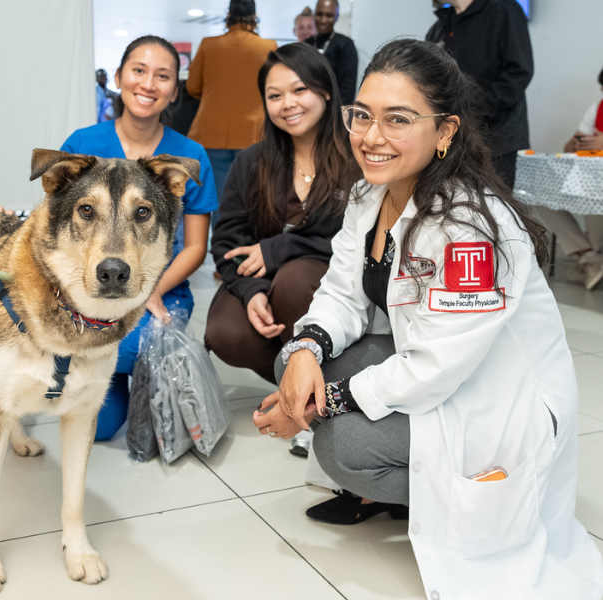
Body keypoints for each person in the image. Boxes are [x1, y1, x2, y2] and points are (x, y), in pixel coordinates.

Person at [253, 38, 603, 598]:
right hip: (437, 367)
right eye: (362, 115)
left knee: (342, 446)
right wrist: (305, 353)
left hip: (496, 398)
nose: (371, 136)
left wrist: (322, 404)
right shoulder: (370, 194)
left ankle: (455, 492)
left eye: (398, 119)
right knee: (293, 364)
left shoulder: (472, 229)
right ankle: (399, 477)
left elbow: (436, 367)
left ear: (444, 132)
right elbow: (341, 292)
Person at [61, 35, 218, 441]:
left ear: (174, 91)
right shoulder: (83, 145)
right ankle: (114, 382)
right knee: (101, 428)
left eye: (163, 76)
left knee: (134, 356)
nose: (149, 84)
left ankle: (142, 377)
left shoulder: (188, 156)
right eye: (139, 71)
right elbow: (59, 230)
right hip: (90, 289)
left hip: (160, 290)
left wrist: (148, 289)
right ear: (118, 77)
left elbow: (197, 247)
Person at [206, 43, 347, 385]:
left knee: (293, 282)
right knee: (225, 332)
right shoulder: (252, 161)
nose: (288, 104)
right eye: (274, 96)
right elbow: (227, 241)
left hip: (327, 281)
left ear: (326, 91)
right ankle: (305, 386)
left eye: (300, 89)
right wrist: (251, 289)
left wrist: (279, 249)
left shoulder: (355, 157)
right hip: (264, 281)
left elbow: (363, 239)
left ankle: (313, 389)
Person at [427, 0, 533, 189]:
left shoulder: (503, 10)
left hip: (496, 141)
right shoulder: (442, 24)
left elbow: (518, 73)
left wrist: (472, 110)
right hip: (454, 140)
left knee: (492, 211)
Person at [186, 0, 277, 221]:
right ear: (255, 17)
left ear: (229, 15)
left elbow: (192, 87)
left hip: (211, 134)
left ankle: (223, 249)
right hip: (255, 135)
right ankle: (249, 251)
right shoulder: (268, 47)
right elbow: (275, 90)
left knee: (219, 202)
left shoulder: (208, 45)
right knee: (254, 200)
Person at [533, 66, 603, 290]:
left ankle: (592, 256)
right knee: (539, 192)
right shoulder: (597, 108)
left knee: (595, 196)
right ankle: (589, 254)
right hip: (588, 176)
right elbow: (568, 145)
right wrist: (576, 143)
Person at [303, 0, 357, 106]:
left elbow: (347, 91)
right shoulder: (306, 44)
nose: (323, 20)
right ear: (314, 15)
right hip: (306, 108)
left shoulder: (345, 45)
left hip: (333, 111)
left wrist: (336, 118)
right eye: (319, 14)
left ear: (337, 16)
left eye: (329, 15)